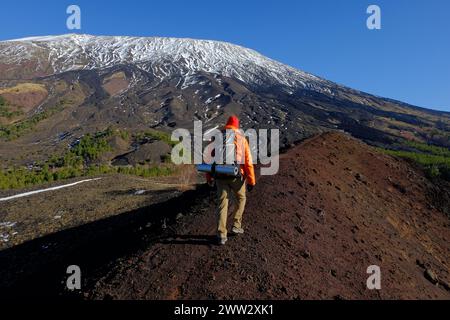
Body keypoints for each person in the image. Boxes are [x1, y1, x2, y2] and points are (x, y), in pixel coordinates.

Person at [206, 115, 256, 245]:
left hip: (219, 175)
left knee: (222, 204)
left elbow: (208, 160)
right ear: (237, 126)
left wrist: (209, 178)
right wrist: (251, 181)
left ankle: (221, 235)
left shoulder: (216, 137)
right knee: (241, 198)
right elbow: (248, 162)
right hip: (236, 176)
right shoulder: (241, 138)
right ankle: (236, 225)